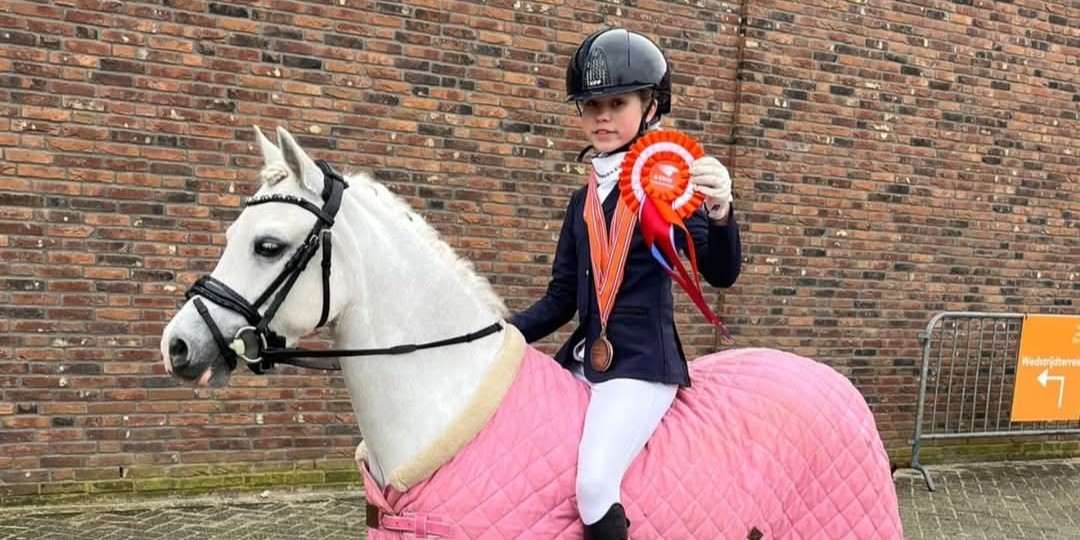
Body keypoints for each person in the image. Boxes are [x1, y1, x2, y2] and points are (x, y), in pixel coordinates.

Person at [508, 27, 743, 540]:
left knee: (593, 482)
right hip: (585, 356)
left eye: (617, 102)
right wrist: (498, 334)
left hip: (642, 364)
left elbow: (721, 274)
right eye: (590, 105)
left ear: (650, 107)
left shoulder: (668, 185)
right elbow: (560, 300)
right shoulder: (581, 202)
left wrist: (722, 211)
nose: (602, 117)